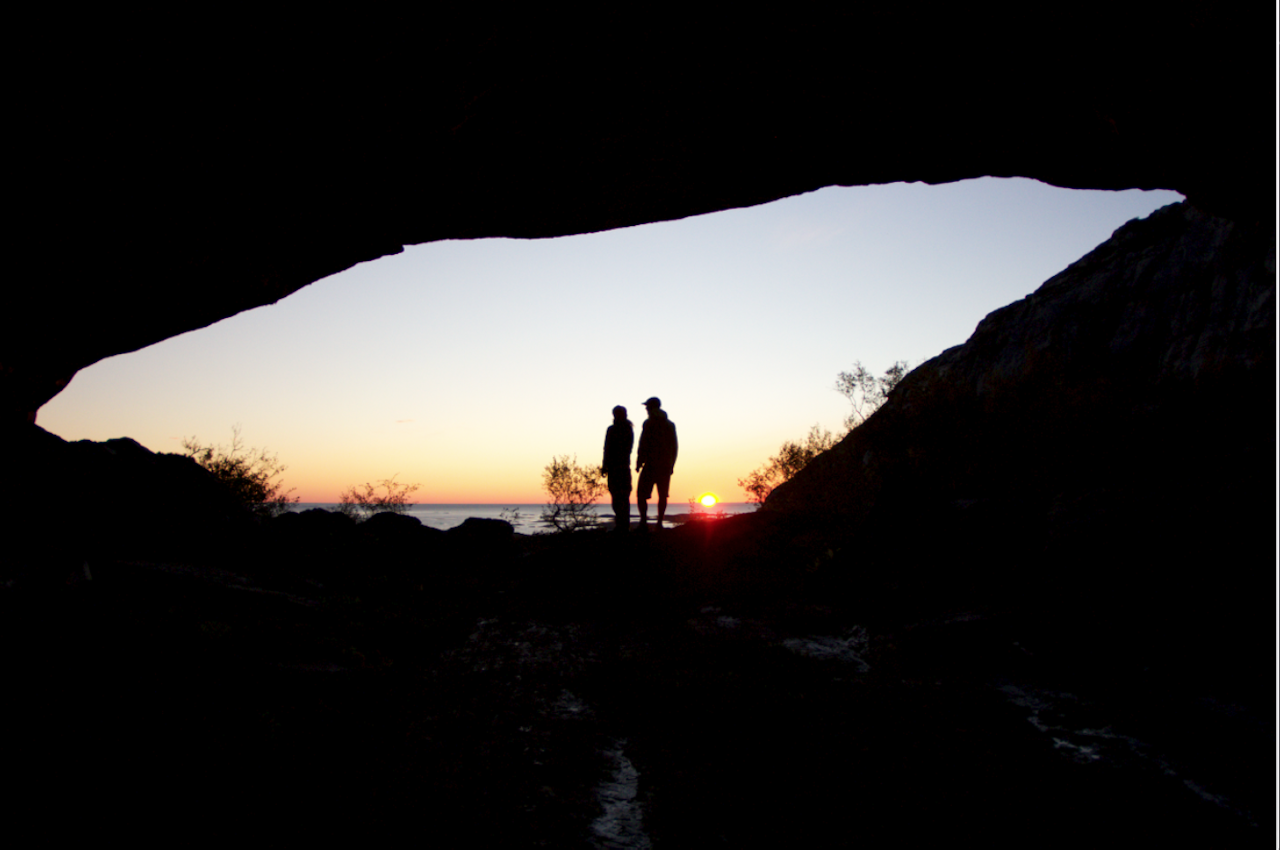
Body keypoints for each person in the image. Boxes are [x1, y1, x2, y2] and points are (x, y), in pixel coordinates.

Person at [635, 397, 677, 530]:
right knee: (662, 495)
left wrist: (639, 461)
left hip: (651, 464)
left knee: (642, 494)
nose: (646, 409)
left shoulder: (649, 423)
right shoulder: (670, 424)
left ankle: (643, 522)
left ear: (652, 407)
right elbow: (674, 446)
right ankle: (658, 523)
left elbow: (643, 442)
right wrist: (671, 464)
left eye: (647, 407)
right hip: (664, 465)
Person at [601, 405, 634, 532]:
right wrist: (605, 465)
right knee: (619, 496)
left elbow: (608, 448)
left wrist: (605, 465)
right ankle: (622, 523)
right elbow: (607, 448)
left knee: (620, 495)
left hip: (619, 467)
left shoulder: (624, 429)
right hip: (619, 467)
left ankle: (623, 525)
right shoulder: (624, 429)